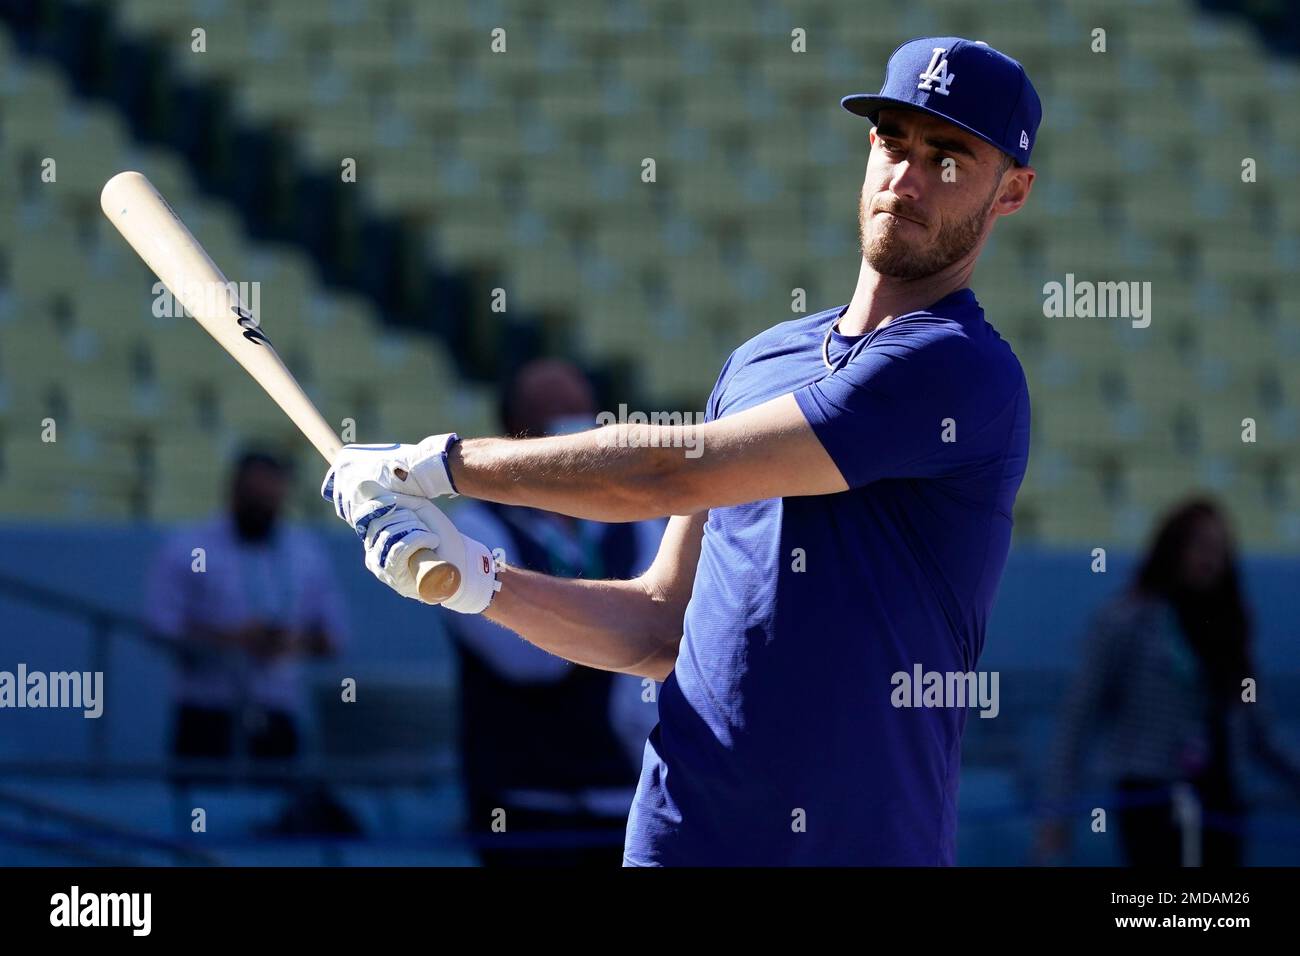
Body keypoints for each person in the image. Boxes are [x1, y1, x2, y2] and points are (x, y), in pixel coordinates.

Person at [322, 36, 1038, 865]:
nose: (908, 178)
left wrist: (437, 466)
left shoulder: (959, 367)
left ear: (1012, 191)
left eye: (949, 157)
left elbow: (671, 470)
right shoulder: (760, 359)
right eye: (894, 142)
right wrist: (478, 580)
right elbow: (661, 627)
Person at [446, 359, 664, 866]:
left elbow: (665, 632)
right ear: (515, 434)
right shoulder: (474, 526)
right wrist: (622, 623)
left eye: (579, 411)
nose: (572, 427)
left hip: (625, 795)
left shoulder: (636, 523)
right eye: (549, 417)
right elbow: (529, 659)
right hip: (521, 800)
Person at [1039, 498, 1300, 866]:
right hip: (1151, 797)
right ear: (1172, 548)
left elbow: (1261, 732)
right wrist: (1056, 811)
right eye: (1199, 545)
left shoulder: (1232, 627)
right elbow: (1077, 721)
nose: (1209, 558)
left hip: (1222, 801)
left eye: (1219, 549)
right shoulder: (1124, 620)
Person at [146, 450, 348, 765]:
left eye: (270, 497)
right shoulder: (188, 548)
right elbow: (162, 626)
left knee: (278, 807)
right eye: (254, 496)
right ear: (234, 492)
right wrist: (232, 640)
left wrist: (292, 642)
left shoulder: (306, 554)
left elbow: (334, 636)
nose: (262, 506)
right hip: (206, 713)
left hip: (277, 711)